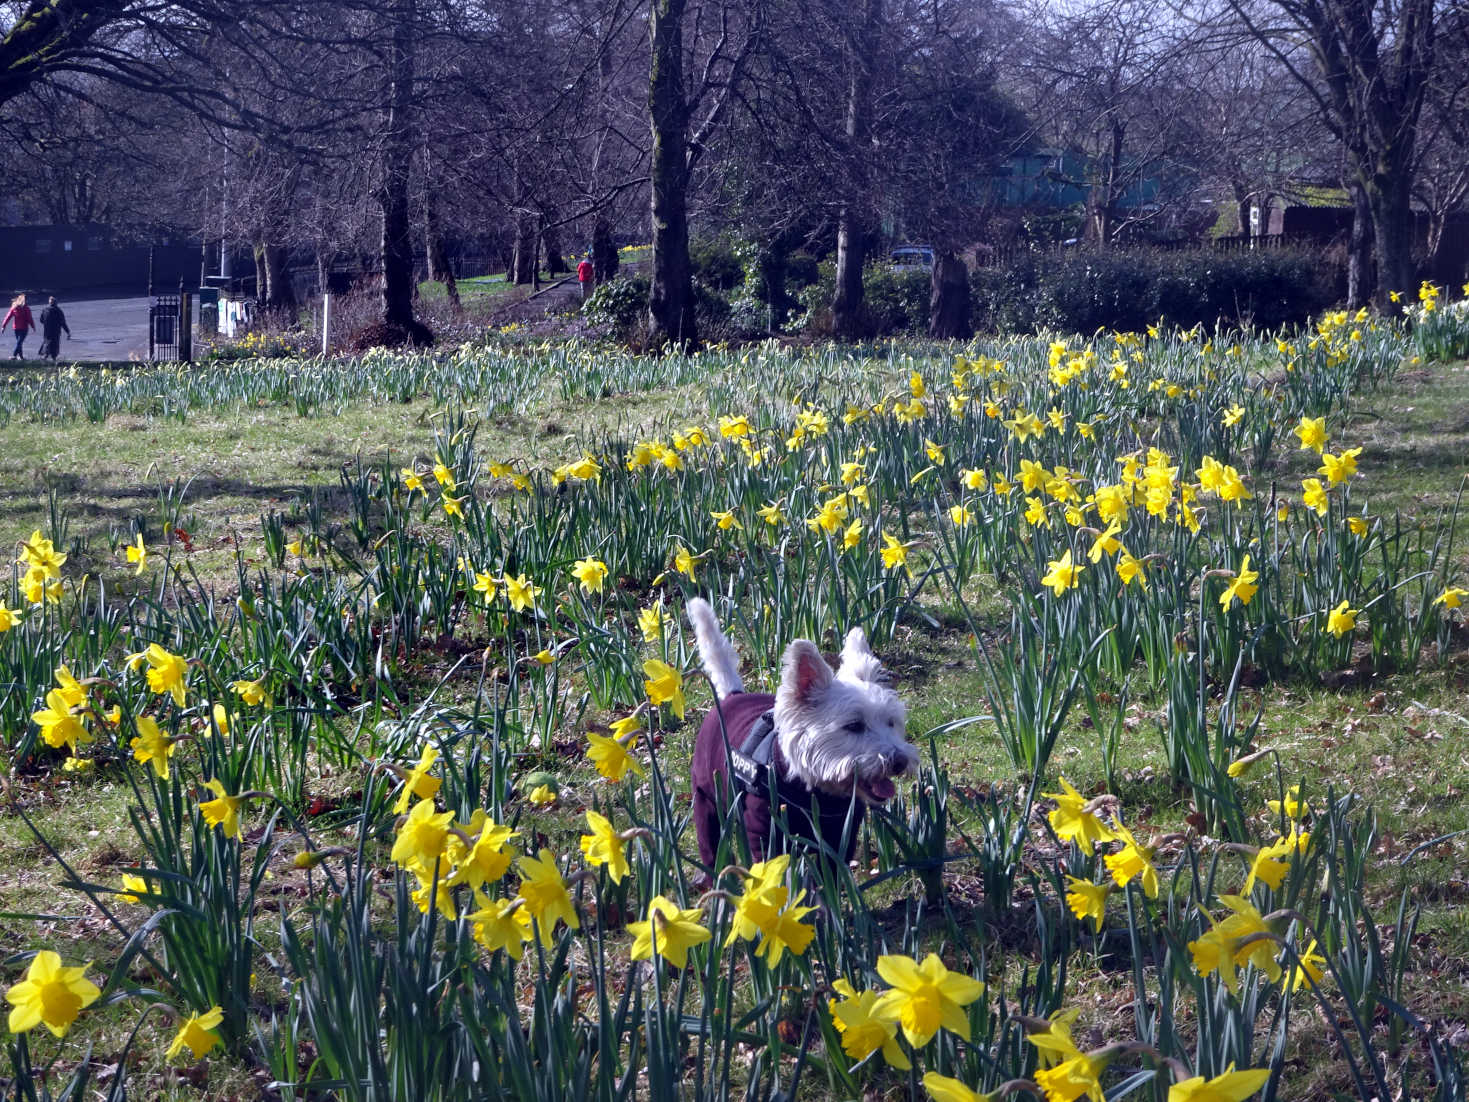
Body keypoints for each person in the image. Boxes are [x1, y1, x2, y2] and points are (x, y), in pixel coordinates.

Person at [38, 296, 71, 361]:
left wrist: (46, 324)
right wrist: (68, 331)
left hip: (47, 330)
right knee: (55, 344)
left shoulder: (45, 310)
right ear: (56, 303)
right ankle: (54, 357)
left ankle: (45, 355)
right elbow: (63, 322)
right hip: (56, 331)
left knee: (47, 342)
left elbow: (41, 320)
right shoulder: (58, 311)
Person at [3, 294, 35, 359]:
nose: (26, 301)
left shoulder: (24, 308)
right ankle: (17, 356)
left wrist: (33, 326)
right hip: (19, 328)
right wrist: (3, 326)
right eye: (25, 300)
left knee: (19, 342)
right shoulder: (17, 308)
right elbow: (7, 317)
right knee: (19, 343)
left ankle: (18, 356)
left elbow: (29, 318)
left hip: (20, 328)